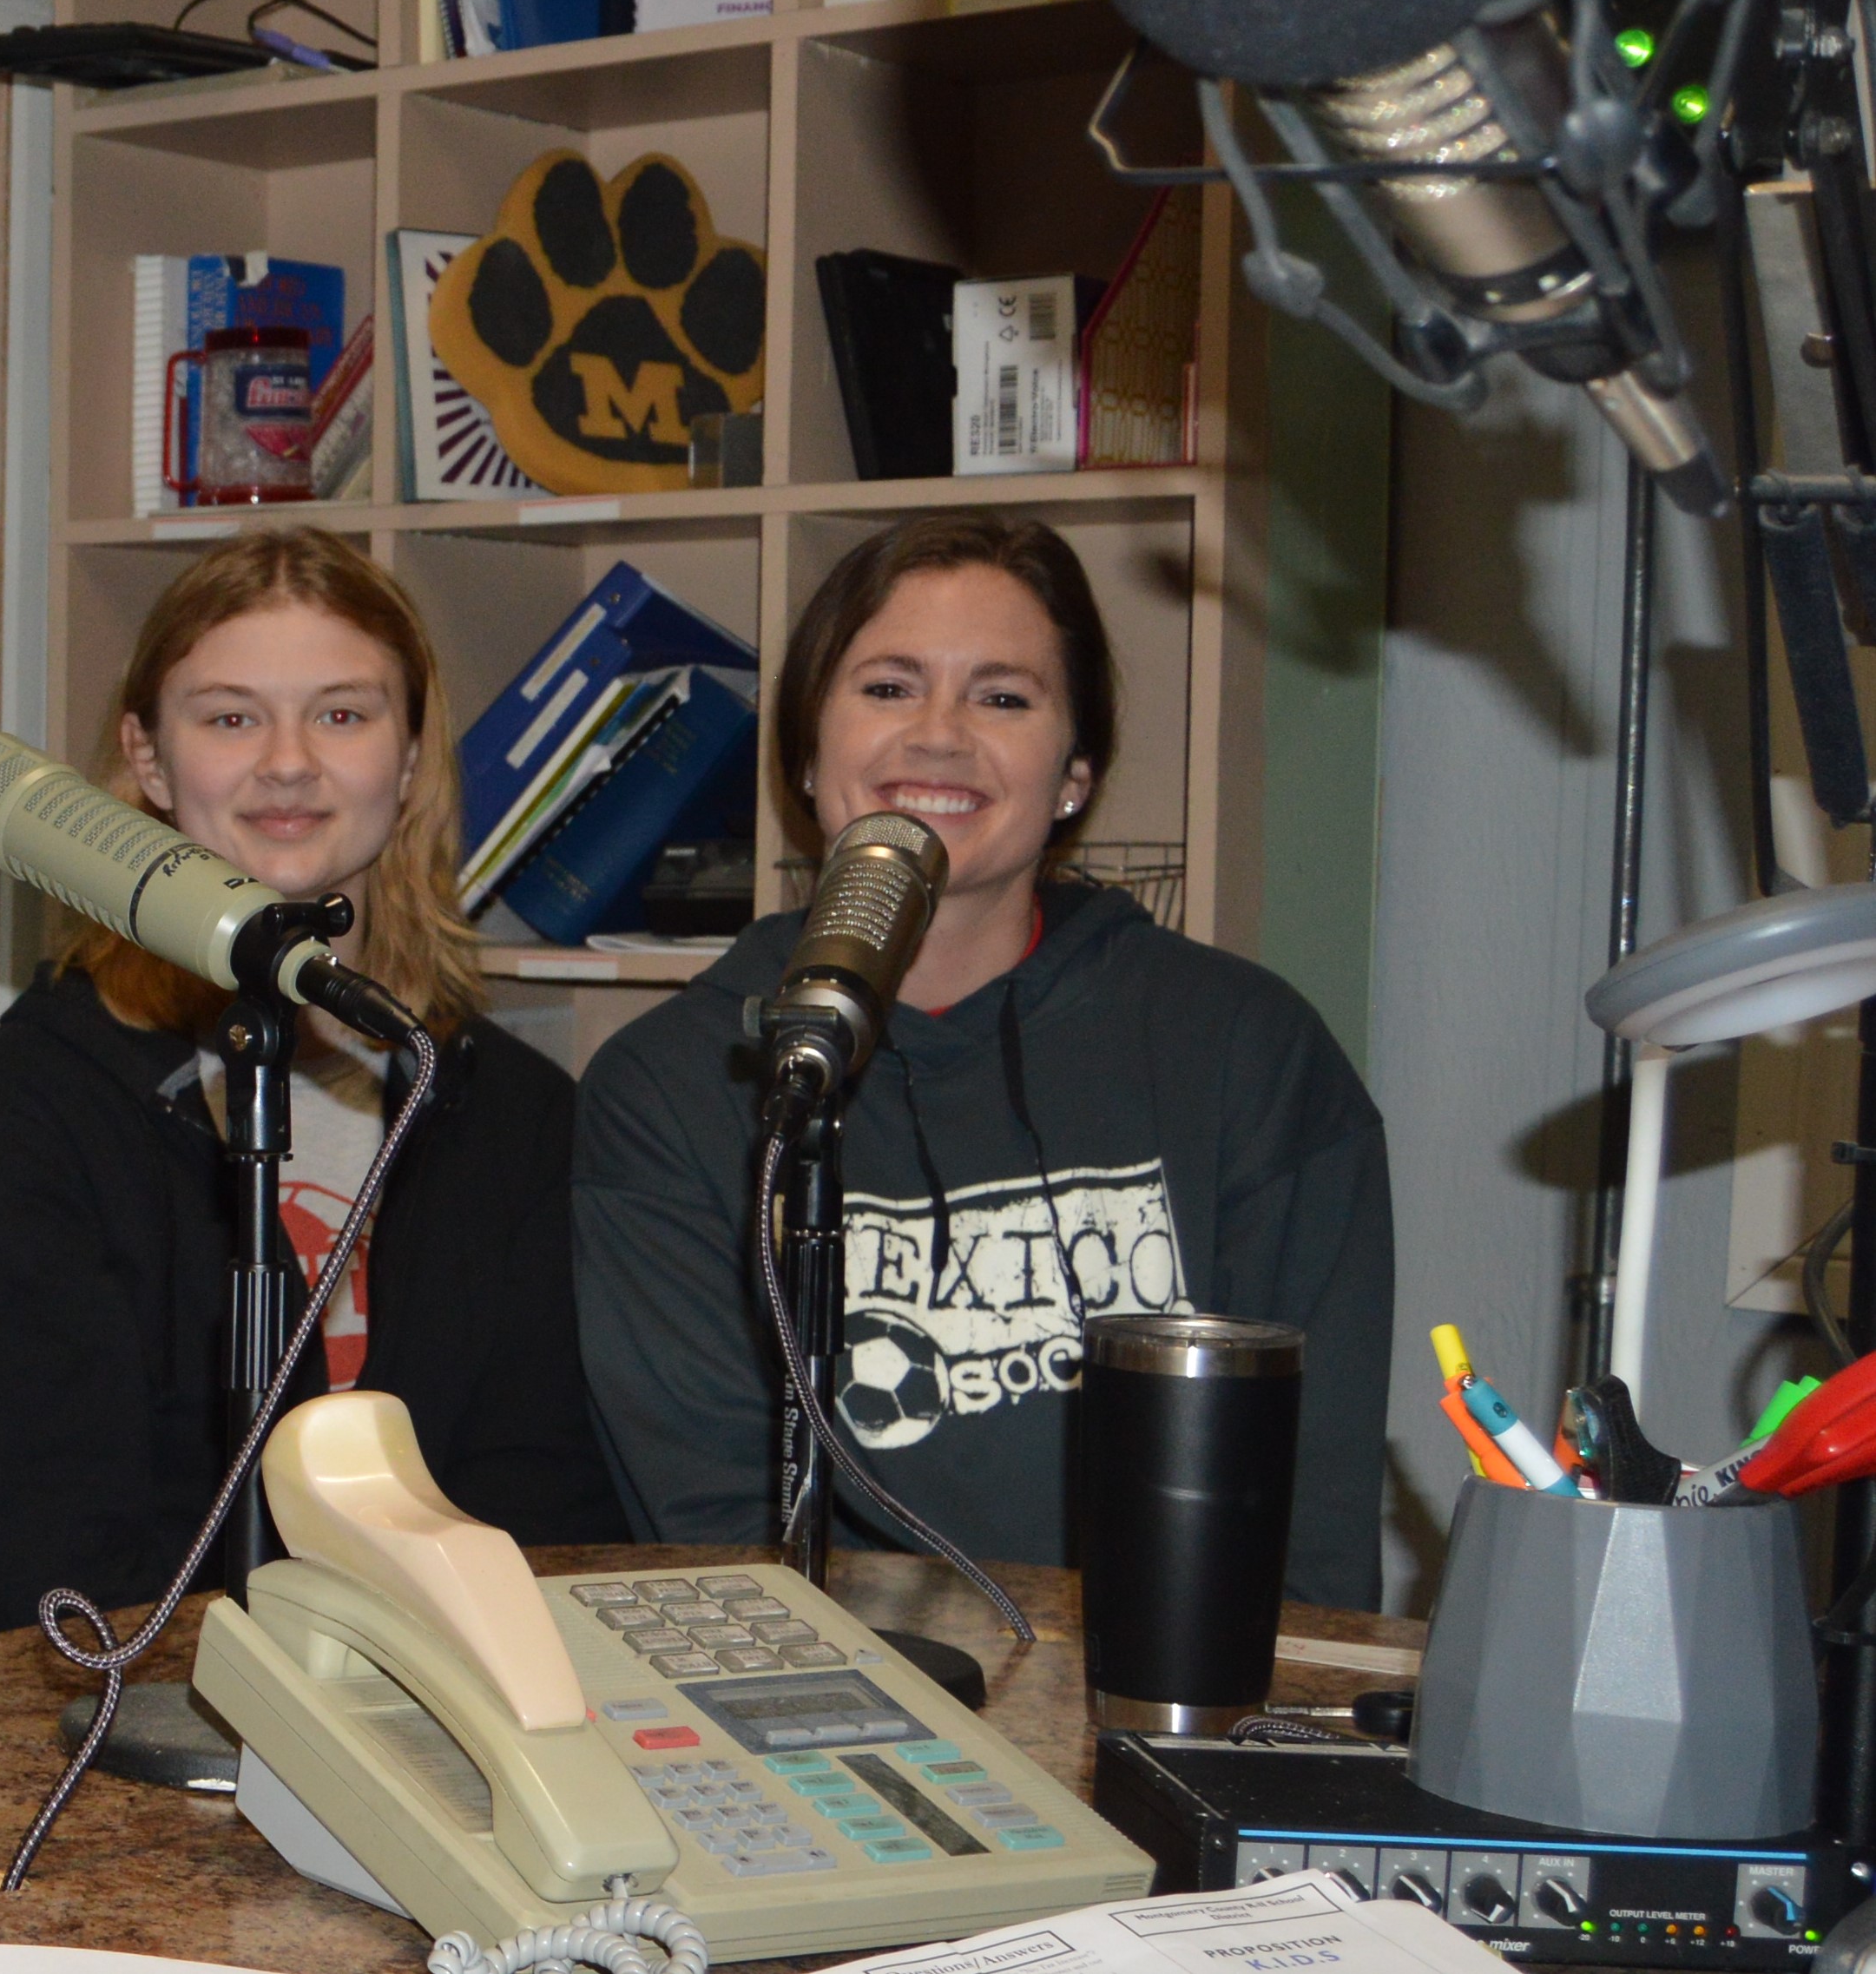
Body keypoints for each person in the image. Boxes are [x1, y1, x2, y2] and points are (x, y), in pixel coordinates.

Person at [573, 510, 1392, 1604]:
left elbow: (1310, 1512)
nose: (940, 735)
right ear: (808, 751)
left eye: (1003, 696)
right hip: (836, 1712)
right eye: (888, 686)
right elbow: (708, 1530)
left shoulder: (1246, 1049)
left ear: (1075, 772)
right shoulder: (675, 1084)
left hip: (1172, 1711)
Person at [0, 530, 622, 1642]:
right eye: (231, 716)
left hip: (442, 1701)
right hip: (110, 1710)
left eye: (342, 713)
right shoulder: (25, 1120)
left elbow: (546, 1505)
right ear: (148, 759)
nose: (288, 762)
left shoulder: (511, 1110)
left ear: (412, 753)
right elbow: (64, 1566)